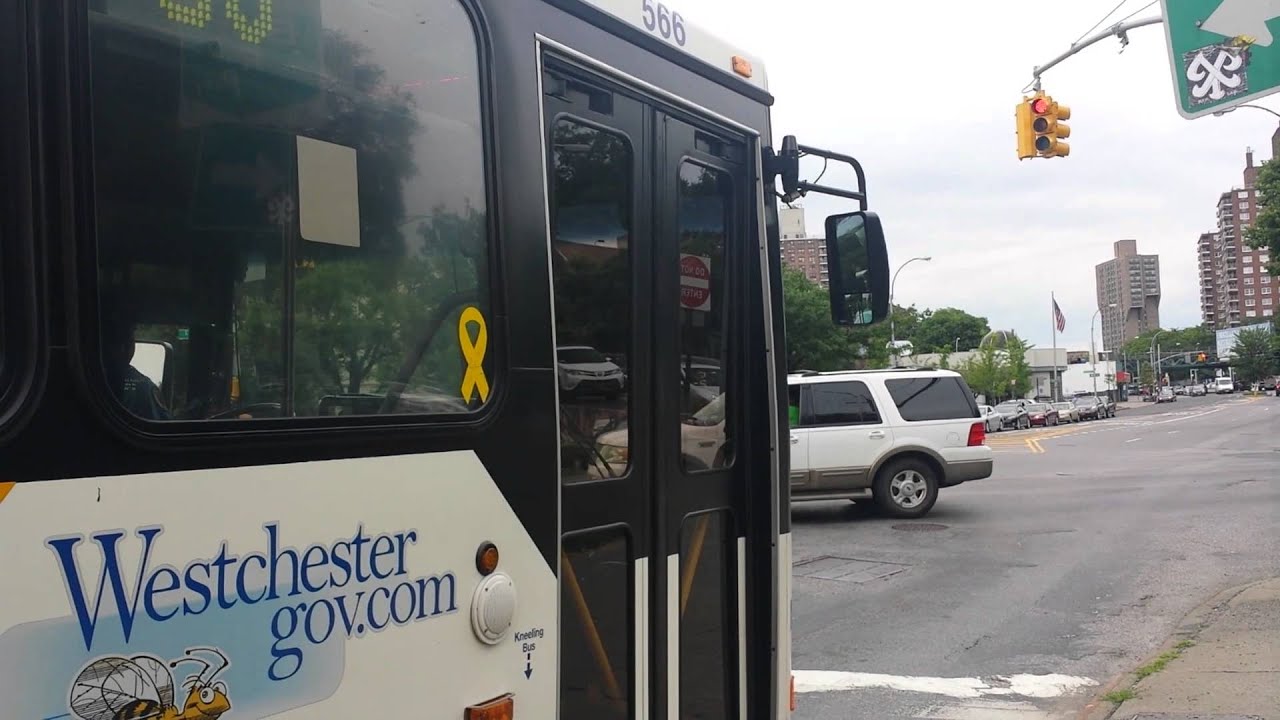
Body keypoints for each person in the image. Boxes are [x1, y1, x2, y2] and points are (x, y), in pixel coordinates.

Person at [101, 304, 171, 421]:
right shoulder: (143, 387)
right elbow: (165, 427)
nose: (127, 345)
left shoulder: (86, 374)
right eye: (129, 337)